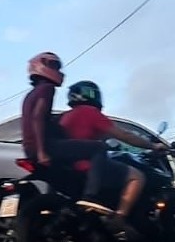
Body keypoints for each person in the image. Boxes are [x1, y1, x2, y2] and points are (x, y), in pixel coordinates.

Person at [57, 81, 168, 241]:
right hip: (90, 166)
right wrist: (153, 145)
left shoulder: (65, 117)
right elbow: (124, 136)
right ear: (92, 95)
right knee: (137, 176)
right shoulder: (90, 112)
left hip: (70, 167)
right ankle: (120, 217)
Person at [18, 52, 108, 202]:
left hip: (29, 148)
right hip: (46, 145)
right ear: (40, 66)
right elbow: (37, 118)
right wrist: (42, 152)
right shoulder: (47, 89)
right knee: (99, 148)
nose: (58, 71)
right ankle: (91, 196)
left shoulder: (30, 94)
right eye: (53, 65)